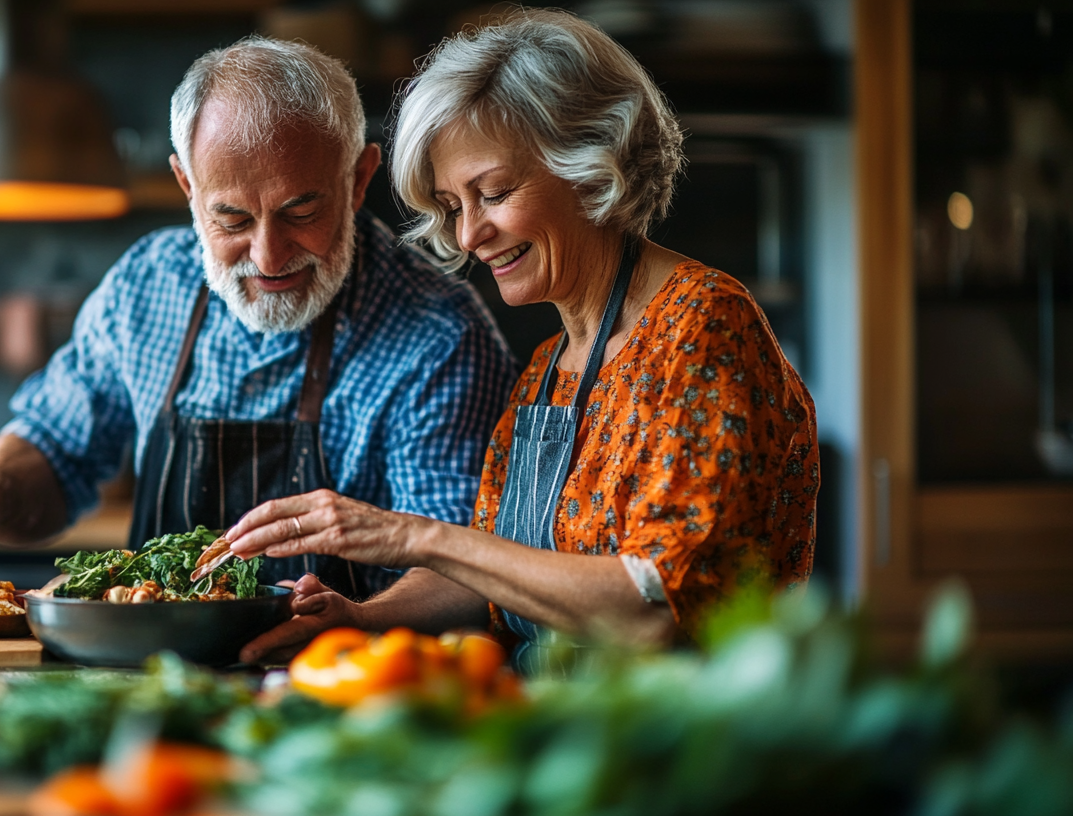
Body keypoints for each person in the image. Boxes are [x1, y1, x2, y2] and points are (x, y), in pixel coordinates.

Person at [229, 9, 819, 668]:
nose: (468, 235)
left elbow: (653, 612)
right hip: (560, 735)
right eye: (453, 207)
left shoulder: (702, 327)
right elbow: (492, 577)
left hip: (678, 746)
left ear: (591, 162)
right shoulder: (550, 366)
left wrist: (410, 535)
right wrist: (363, 618)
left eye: (493, 192)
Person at [0, 36, 517, 602]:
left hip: (348, 684)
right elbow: (55, 451)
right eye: (232, 218)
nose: (268, 256)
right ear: (187, 186)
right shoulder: (148, 287)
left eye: (299, 212)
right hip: (153, 678)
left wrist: (359, 620)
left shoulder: (439, 334)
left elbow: (460, 573)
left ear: (358, 179)